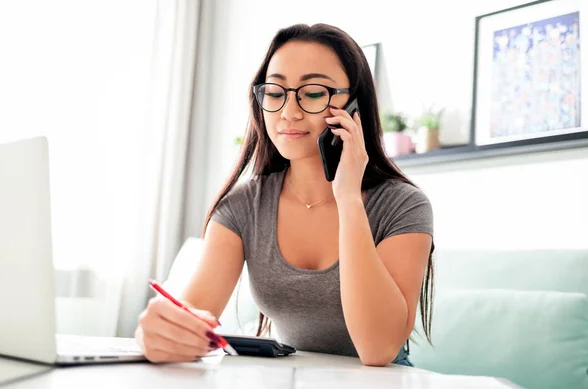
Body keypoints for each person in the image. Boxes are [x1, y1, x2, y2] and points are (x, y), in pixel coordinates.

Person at [135, 23, 434, 367]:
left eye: (313, 92)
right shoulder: (241, 208)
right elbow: (191, 320)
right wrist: (161, 333)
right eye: (276, 92)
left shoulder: (403, 205)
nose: (289, 112)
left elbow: (378, 349)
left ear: (353, 105)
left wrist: (348, 197)